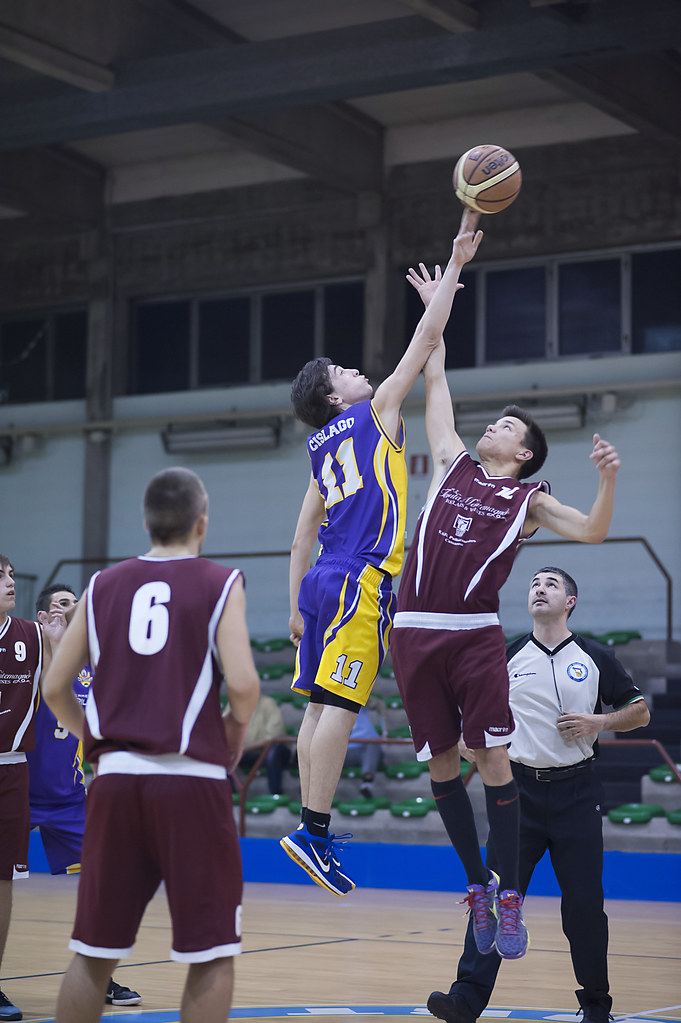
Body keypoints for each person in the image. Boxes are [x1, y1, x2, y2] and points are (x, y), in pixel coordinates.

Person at [390, 275, 621, 960]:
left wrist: (607, 479)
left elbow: (589, 533)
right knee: (438, 763)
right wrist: (445, 295)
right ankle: (478, 884)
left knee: (490, 754)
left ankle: (509, 892)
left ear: (522, 453)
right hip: (412, 627)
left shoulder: (527, 498)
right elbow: (432, 367)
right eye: (494, 421)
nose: (494, 425)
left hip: (471, 633)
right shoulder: (450, 464)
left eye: (508, 427)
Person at [280, 208, 484, 897]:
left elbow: (299, 535)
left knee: (315, 707)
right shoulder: (371, 414)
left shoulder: (317, 452)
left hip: (320, 579)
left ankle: (311, 827)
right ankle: (312, 827)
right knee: (340, 701)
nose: (356, 369)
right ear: (333, 396)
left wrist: (293, 609)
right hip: (357, 578)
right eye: (342, 369)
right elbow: (423, 344)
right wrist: (449, 279)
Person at [41, 467, 260, 1023]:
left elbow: (53, 686)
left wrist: (94, 739)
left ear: (146, 522)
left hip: (115, 781)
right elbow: (242, 684)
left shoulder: (101, 587)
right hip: (190, 780)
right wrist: (234, 733)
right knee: (210, 955)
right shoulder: (220, 581)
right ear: (201, 524)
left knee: (93, 953)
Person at [427, 566, 650, 1023]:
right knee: (494, 902)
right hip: (518, 795)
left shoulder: (594, 655)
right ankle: (465, 1001)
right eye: (533, 583)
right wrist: (475, 750)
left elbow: (640, 712)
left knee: (585, 907)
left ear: (570, 600)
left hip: (578, 794)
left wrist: (600, 722)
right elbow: (470, 718)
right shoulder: (504, 656)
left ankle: (596, 1007)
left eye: (550, 583)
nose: (539, 588)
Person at [27, 583, 142, 1008]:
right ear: (42, 618)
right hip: (18, 791)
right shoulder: (27, 655)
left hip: (71, 798)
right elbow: (47, 696)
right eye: (60, 605)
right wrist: (56, 648)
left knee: (105, 881)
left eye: (75, 606)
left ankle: (101, 975)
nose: (68, 611)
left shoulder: (94, 667)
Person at [0, 555, 66, 1022]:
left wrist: (61, 647)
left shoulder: (31, 635)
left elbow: (62, 689)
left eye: (9, 574)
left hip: (11, 770)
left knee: (3, 882)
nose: (9, 582)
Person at [237, 693, 291, 795]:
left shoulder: (267, 703)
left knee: (273, 753)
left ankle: (276, 795)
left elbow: (272, 739)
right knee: (223, 754)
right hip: (248, 753)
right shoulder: (234, 705)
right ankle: (232, 796)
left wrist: (243, 748)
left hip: (271, 751)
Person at [344, 701, 386, 799]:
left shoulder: (365, 707)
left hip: (368, 747)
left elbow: (380, 704)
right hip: (347, 750)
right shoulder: (336, 712)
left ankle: (367, 784)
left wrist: (385, 732)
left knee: (372, 746)